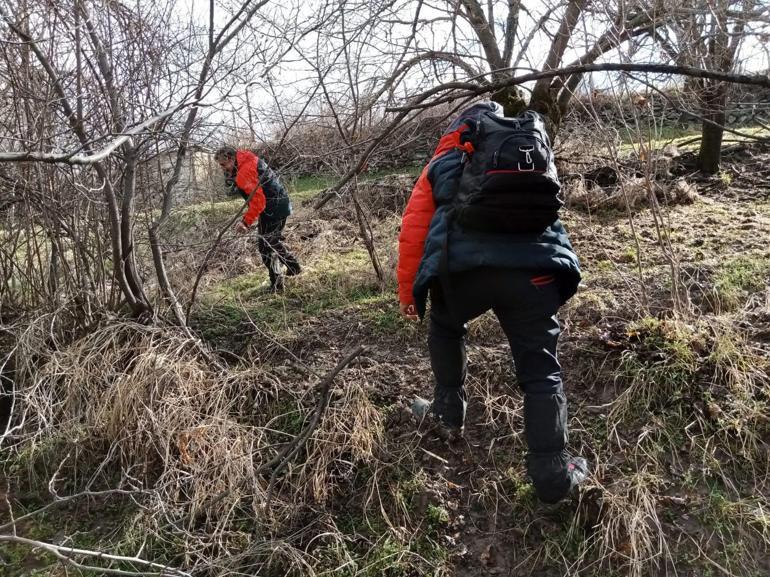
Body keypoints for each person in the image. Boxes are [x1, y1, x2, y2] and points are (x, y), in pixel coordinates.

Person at [397, 102, 587, 504]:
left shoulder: (445, 158)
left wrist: (408, 292)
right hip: (533, 273)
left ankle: (448, 412)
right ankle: (552, 474)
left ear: (459, 127)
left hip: (462, 273)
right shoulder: (530, 149)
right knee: (540, 370)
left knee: (446, 328)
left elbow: (414, 228)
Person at [215, 146, 300, 292]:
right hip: (281, 203)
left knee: (266, 246)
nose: (223, 169)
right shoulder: (249, 159)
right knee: (272, 242)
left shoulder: (244, 172)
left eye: (223, 165)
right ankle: (290, 270)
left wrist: (245, 222)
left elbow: (258, 202)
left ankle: (280, 281)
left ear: (230, 158)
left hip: (272, 209)